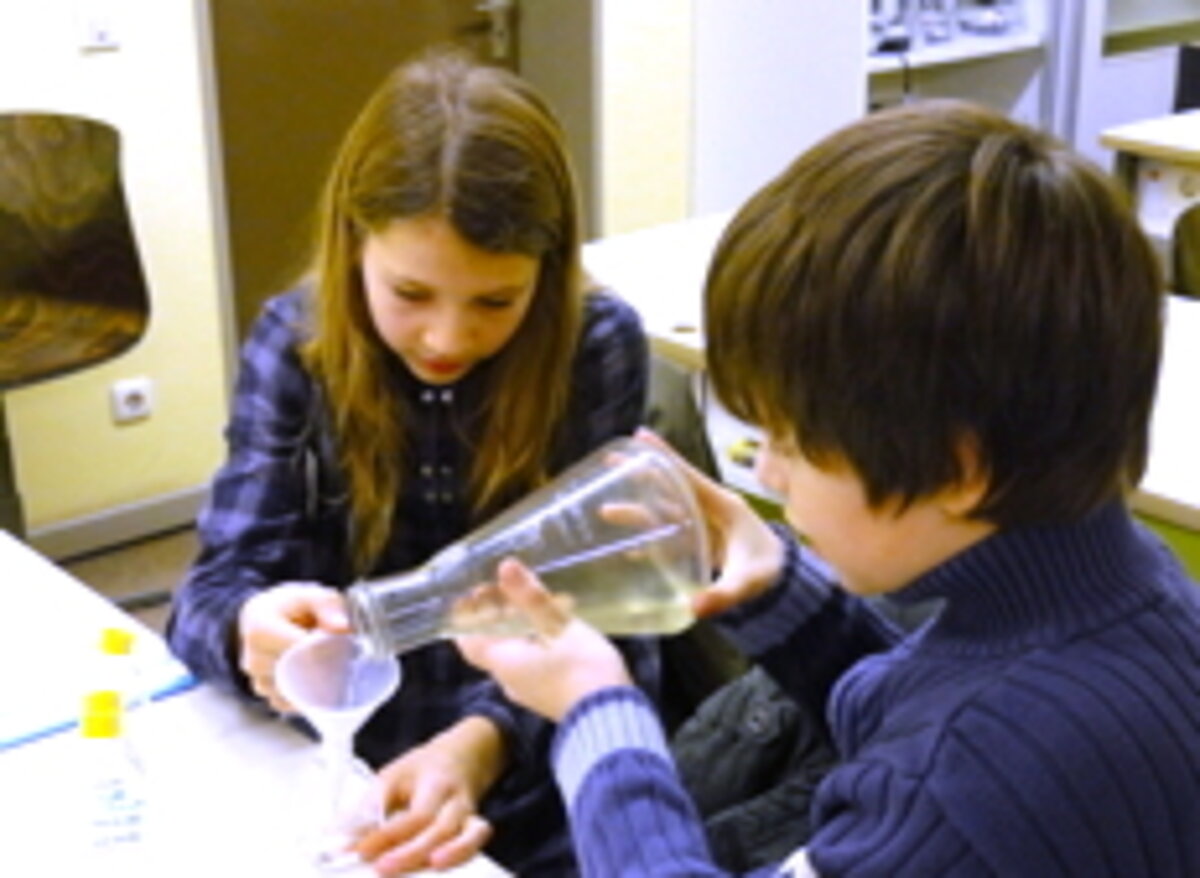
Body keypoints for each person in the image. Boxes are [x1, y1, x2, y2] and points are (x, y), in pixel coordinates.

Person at [459, 99, 1200, 876]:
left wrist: (594, 713)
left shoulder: (953, 794)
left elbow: (949, 768)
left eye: (793, 443)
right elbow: (931, 713)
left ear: (957, 469)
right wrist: (782, 594)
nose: (766, 470)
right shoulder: (1122, 589)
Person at [166, 47, 658, 876]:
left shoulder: (594, 348)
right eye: (411, 294)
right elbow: (212, 590)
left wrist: (480, 746)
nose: (447, 338)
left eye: (496, 302)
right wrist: (249, 625)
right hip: (337, 768)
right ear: (353, 248)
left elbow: (616, 616)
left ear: (549, 268)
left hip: (531, 777)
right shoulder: (299, 344)